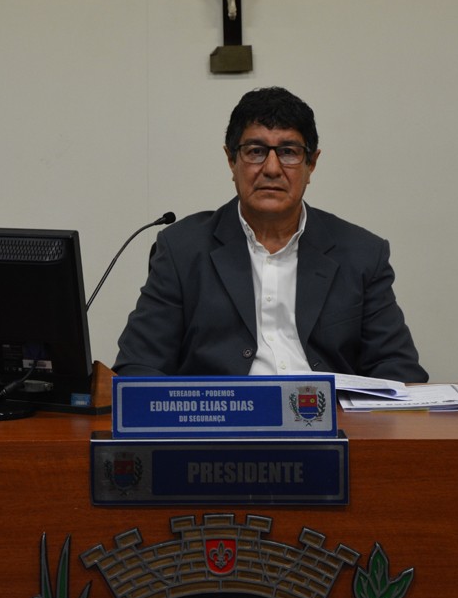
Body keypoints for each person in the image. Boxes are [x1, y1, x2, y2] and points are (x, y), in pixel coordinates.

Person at [114, 87, 428, 383]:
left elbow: (398, 369)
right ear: (231, 161)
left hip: (329, 417)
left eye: (289, 152)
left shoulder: (362, 253)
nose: (272, 169)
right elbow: (139, 366)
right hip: (223, 417)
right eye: (256, 151)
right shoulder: (182, 249)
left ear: (311, 164)